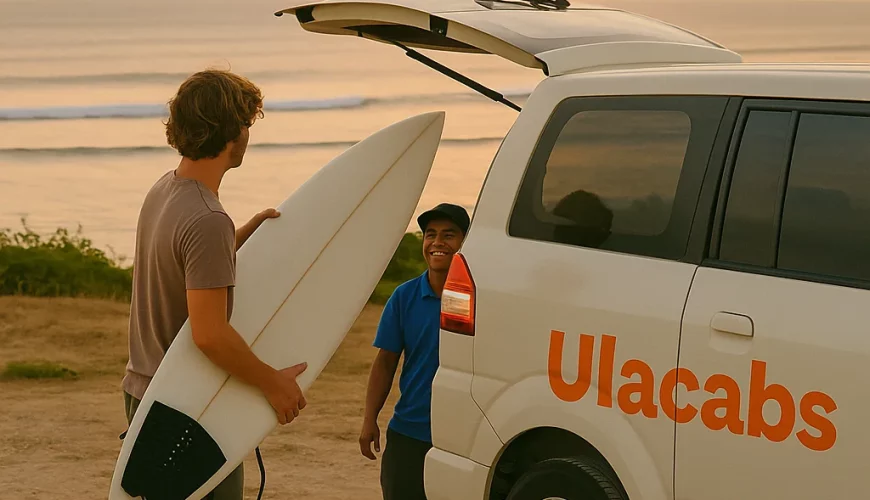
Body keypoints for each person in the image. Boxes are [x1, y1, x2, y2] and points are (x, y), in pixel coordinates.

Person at [121, 69, 308, 499]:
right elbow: (210, 335)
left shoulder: (165, 190)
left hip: (142, 390)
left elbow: (180, 263)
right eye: (245, 123)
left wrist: (239, 236)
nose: (247, 134)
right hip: (184, 405)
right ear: (231, 132)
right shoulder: (207, 218)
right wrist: (271, 381)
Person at [359, 202, 471, 500]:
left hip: (465, 437)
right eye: (430, 234)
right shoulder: (404, 296)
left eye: (449, 235)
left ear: (465, 242)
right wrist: (370, 418)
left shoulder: (480, 298)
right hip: (409, 432)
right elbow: (385, 362)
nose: (437, 242)